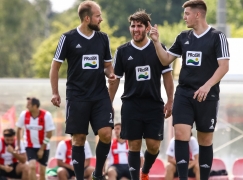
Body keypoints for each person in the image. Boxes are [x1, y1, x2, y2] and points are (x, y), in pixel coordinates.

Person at [149, 0, 230, 179]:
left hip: (207, 96)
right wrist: (156, 42)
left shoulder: (217, 37)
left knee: (205, 140)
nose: (184, 17)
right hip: (184, 94)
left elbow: (224, 66)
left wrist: (207, 86)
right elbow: (165, 60)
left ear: (197, 14)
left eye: (187, 14)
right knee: (180, 133)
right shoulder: (183, 37)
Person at [49, 1, 116, 180]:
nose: (101, 19)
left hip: (99, 95)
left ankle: (98, 173)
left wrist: (110, 74)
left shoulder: (103, 38)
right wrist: (55, 92)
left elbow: (108, 66)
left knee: (106, 133)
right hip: (77, 96)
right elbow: (55, 67)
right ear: (87, 18)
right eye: (97, 16)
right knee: (78, 138)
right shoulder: (68, 38)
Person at [108, 10, 174, 180]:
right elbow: (115, 80)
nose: (135, 29)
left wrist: (170, 101)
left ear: (147, 28)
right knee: (134, 145)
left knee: (153, 146)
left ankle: (145, 171)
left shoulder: (158, 48)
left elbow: (168, 77)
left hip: (154, 104)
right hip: (131, 105)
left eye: (139, 26)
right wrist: (107, 103)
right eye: (133, 26)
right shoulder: (122, 51)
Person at [16, 97, 55, 180]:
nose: (27, 106)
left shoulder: (46, 115)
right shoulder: (24, 114)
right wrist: (18, 145)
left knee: (42, 172)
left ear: (35, 106)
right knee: (32, 166)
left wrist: (41, 149)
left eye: (29, 105)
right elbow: (18, 129)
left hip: (44, 147)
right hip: (30, 146)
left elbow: (50, 133)